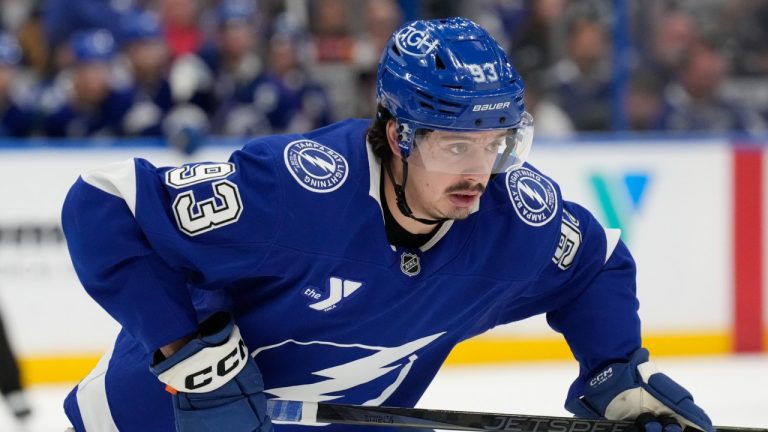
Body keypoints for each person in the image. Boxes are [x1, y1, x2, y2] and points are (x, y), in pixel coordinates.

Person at [60, 17, 714, 432]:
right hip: (149, 419)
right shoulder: (298, 192)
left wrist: (615, 370)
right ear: (398, 135)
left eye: (499, 145)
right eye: (456, 146)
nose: (480, 173)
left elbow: (595, 265)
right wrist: (185, 353)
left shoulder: (514, 217)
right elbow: (101, 204)